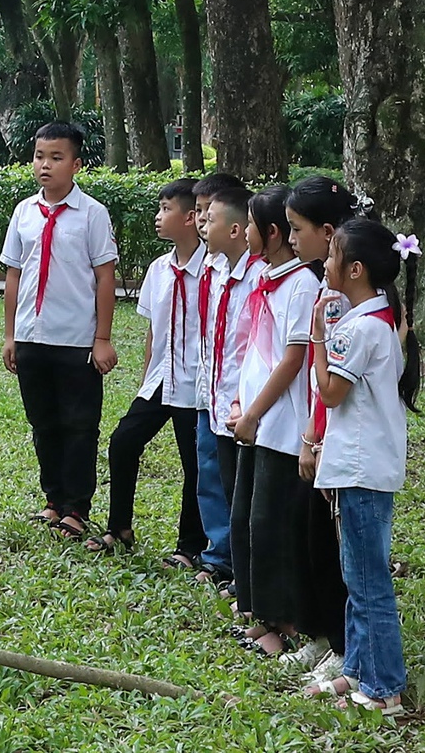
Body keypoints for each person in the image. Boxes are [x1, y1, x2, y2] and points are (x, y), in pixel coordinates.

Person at [307, 217, 422, 720]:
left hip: (361, 467)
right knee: (356, 573)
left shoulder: (360, 329)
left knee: (369, 578)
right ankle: (357, 667)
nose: (325, 263)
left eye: (331, 255)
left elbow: (331, 393)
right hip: (363, 464)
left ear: (354, 269)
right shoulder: (374, 321)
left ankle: (383, 687)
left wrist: (316, 336)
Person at [248, 176, 358, 685]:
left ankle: (343, 646)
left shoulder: (342, 302)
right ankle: (318, 635)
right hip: (315, 436)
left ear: (329, 233)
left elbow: (327, 385)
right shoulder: (325, 291)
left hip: (339, 442)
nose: (291, 240)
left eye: (298, 230)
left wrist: (315, 437)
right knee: (310, 544)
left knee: (338, 555)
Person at [0, 121, 119, 539]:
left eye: (56, 157)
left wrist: (101, 338)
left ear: (76, 164)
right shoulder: (24, 212)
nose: (45, 165)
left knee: (79, 424)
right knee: (43, 423)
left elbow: (105, 277)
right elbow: (14, 275)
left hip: (75, 340)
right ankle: (52, 500)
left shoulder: (92, 214)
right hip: (32, 336)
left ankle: (76, 507)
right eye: (39, 156)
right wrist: (12, 334)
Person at [92, 177, 204, 561]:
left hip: (196, 385)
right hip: (161, 379)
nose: (158, 217)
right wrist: (144, 380)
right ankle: (118, 527)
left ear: (191, 217)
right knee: (123, 442)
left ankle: (190, 546)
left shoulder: (214, 270)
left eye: (166, 210)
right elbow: (154, 330)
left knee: (195, 467)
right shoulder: (159, 269)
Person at [228, 185, 320, 656]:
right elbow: (252, 353)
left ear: (272, 233)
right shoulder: (265, 279)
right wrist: (241, 406)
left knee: (273, 525)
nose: (242, 233)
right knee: (246, 518)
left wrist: (256, 412)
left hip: (283, 427)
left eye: (249, 225)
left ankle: (282, 624)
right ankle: (256, 611)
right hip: (256, 424)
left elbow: (291, 360)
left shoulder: (302, 285)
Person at [186, 173, 250, 585]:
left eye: (208, 214)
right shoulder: (210, 264)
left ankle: (237, 563)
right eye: (199, 214)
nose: (200, 222)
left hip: (241, 399)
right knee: (208, 475)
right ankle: (217, 555)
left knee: (237, 484)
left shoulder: (254, 274)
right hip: (209, 391)